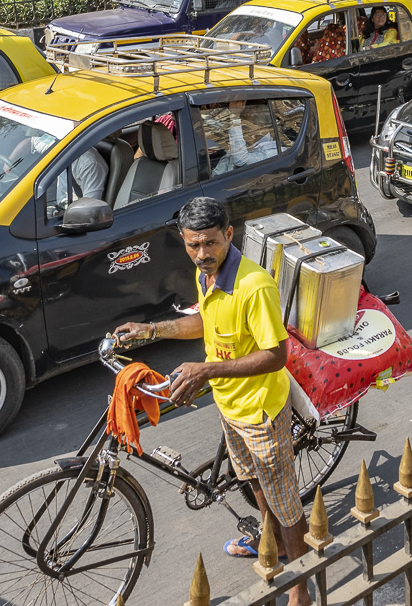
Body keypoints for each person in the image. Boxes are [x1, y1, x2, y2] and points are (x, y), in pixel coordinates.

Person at [113, 197, 311, 606]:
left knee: (285, 500)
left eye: (209, 243)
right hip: (229, 404)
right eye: (192, 245)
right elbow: (204, 321)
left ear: (229, 235)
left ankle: (301, 589)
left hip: (259, 410)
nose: (201, 254)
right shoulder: (207, 274)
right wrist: (151, 330)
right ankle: (269, 540)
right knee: (252, 481)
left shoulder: (254, 285)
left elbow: (276, 355)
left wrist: (206, 371)